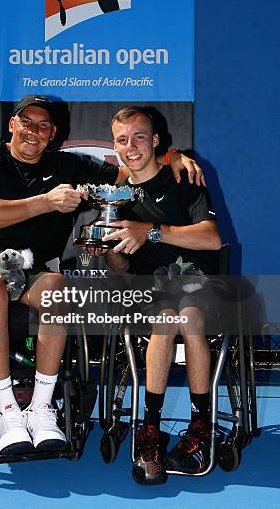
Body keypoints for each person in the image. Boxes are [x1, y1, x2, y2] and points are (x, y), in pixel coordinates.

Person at [0, 95, 204, 456]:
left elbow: (131, 170)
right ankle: (7, 412)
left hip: (30, 271)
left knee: (60, 290)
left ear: (53, 133)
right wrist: (46, 202)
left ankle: (40, 408)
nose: (33, 132)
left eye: (43, 126)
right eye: (26, 122)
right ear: (12, 125)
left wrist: (172, 157)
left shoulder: (67, 165)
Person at [99, 106, 222, 485]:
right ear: (115, 146)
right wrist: (109, 249)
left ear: (156, 141)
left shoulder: (184, 177)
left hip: (198, 285)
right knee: (168, 315)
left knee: (187, 314)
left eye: (139, 137)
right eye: (123, 139)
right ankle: (149, 432)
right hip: (146, 293)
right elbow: (121, 268)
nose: (131, 146)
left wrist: (150, 231)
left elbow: (212, 239)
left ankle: (200, 429)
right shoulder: (116, 194)